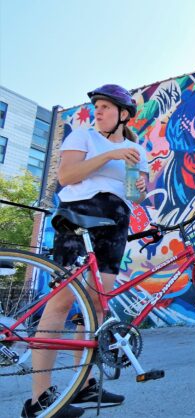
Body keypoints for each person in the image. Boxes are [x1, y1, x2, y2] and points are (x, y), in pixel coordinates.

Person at [22, 84, 149, 417]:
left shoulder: (136, 149)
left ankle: (84, 382)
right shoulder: (83, 136)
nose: (99, 112)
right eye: (98, 107)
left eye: (106, 107)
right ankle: (39, 398)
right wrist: (108, 154)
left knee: (96, 303)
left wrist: (139, 188)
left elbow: (135, 196)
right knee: (63, 300)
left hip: (115, 221)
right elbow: (67, 175)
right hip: (80, 217)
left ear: (123, 114)